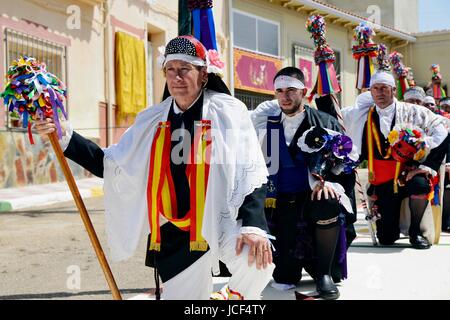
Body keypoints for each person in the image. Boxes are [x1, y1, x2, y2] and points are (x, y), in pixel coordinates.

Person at [34, 35, 274, 300]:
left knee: (257, 262)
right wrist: (63, 134)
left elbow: (251, 169)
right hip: (179, 234)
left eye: (185, 69)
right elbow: (111, 164)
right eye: (170, 70)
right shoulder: (152, 120)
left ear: (203, 74)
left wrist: (253, 226)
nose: (177, 77)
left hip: (223, 221)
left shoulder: (228, 111)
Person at [250, 67, 357, 300]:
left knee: (327, 200)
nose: (285, 96)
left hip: (313, 198)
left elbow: (344, 163)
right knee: (284, 277)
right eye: (279, 91)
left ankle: (324, 274)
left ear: (304, 92)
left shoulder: (325, 121)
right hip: (281, 201)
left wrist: (329, 183)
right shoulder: (265, 122)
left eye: (291, 90)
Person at [342, 68, 450, 249]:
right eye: (375, 89)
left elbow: (442, 132)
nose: (379, 93)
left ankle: (415, 232)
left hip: (407, 174)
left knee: (421, 185)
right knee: (386, 238)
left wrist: (427, 167)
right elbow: (337, 119)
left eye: (384, 88)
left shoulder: (413, 112)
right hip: (382, 180)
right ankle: (390, 228)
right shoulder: (361, 116)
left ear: (393, 90)